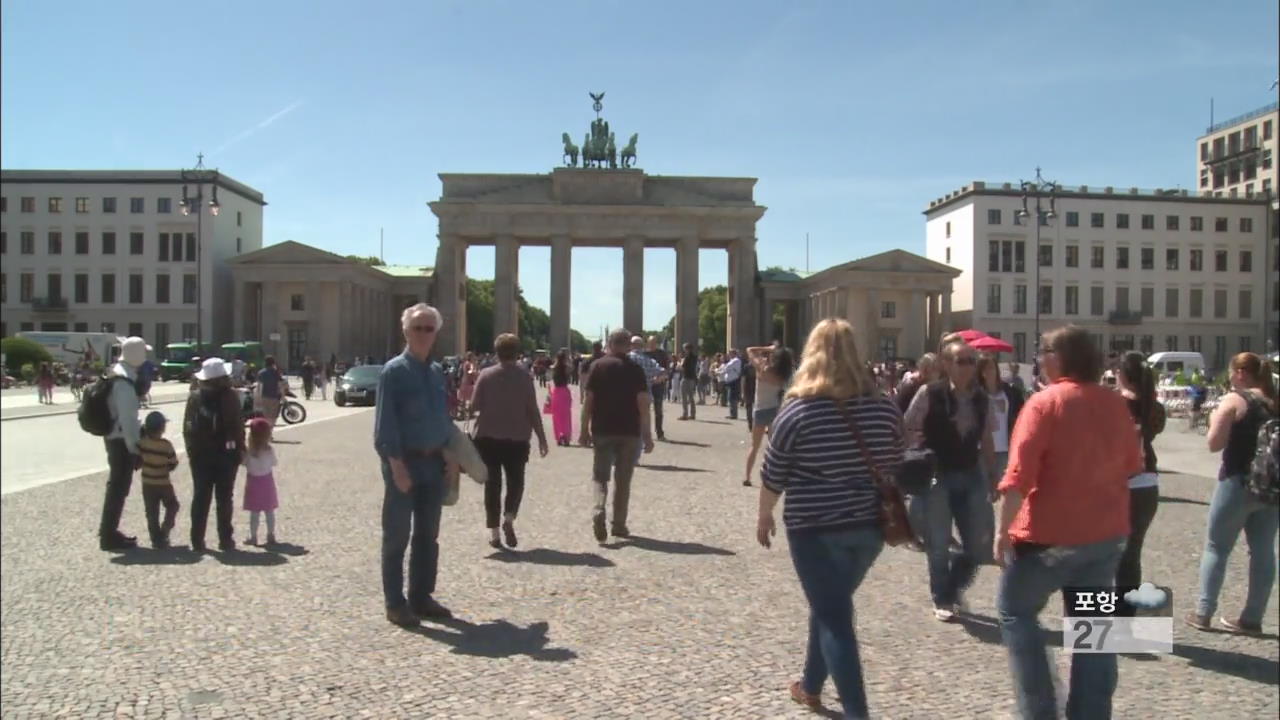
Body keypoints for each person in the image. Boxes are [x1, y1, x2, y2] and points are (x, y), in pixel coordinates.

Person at [757, 319, 902, 719]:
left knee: (834, 615)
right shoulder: (884, 407)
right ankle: (810, 685)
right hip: (1090, 550)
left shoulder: (800, 409)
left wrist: (764, 514)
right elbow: (895, 462)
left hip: (816, 527)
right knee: (830, 606)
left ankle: (857, 712)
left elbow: (774, 472)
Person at [994, 326, 1141, 720]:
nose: (1039, 358)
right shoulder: (1113, 403)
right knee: (1092, 626)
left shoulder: (1044, 403)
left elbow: (1018, 477)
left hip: (1050, 537)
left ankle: (1040, 708)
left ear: (1060, 357)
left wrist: (1002, 532)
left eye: (1043, 351)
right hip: (1104, 536)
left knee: (1014, 610)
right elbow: (1131, 465)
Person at [374, 303, 460, 628]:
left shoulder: (437, 372)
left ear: (436, 333)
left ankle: (421, 596)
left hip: (433, 463)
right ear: (405, 331)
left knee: (428, 536)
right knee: (396, 535)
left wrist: (451, 455)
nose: (423, 334)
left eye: (429, 328)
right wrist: (396, 466)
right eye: (417, 328)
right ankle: (395, 603)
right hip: (404, 462)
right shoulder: (393, 371)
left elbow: (442, 418)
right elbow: (385, 424)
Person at [904, 339, 997, 621]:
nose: (968, 367)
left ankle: (954, 585)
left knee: (979, 544)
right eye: (962, 361)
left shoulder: (982, 398)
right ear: (946, 364)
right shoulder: (930, 393)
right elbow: (908, 426)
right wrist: (914, 457)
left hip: (971, 473)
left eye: (972, 361)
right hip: (937, 475)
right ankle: (942, 598)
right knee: (938, 541)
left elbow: (986, 438)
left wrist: (993, 475)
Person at [1186, 352, 1278, 634]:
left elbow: (1214, 443)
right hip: (1271, 487)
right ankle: (1252, 618)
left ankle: (1203, 612)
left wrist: (1215, 417)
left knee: (1217, 546)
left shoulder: (1235, 400)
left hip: (1236, 482)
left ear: (1240, 373)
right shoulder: (1275, 402)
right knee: (1263, 551)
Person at [471, 333, 550, 550]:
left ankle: (495, 533)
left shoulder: (486, 375)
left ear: (496, 352)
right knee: (516, 482)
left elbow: (474, 406)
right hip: (517, 438)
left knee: (492, 486)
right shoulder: (525, 377)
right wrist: (542, 438)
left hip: (488, 438)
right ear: (517, 353)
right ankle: (508, 518)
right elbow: (532, 410)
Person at [580, 328, 653, 543]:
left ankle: (598, 508)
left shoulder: (597, 366)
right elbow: (643, 405)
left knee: (600, 476)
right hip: (629, 431)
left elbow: (588, 401)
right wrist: (647, 435)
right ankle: (619, 525)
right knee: (623, 479)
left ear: (610, 344)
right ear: (628, 345)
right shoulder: (635, 369)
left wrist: (584, 430)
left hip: (603, 429)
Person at [183, 357, 246, 553]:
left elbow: (186, 427)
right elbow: (237, 427)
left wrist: (191, 451)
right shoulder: (230, 397)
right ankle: (225, 539)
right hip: (225, 454)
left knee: (201, 497)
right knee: (224, 498)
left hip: (200, 454)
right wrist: (240, 450)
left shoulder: (194, 397)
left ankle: (197, 540)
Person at [1114, 351, 1160, 613]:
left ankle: (1114, 616)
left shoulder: (1117, 403)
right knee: (1132, 555)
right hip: (1148, 484)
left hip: (1121, 484)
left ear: (1122, 374)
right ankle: (1126, 614)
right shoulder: (1153, 405)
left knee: (1107, 555)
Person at [98, 336, 148, 551]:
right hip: (120, 441)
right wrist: (136, 449)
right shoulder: (125, 382)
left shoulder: (115, 373)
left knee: (115, 487)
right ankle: (109, 534)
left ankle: (108, 529)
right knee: (118, 488)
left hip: (112, 437)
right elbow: (128, 421)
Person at [978, 353, 1024, 536]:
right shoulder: (977, 393)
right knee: (984, 496)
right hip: (983, 449)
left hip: (1005, 448)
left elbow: (1019, 415)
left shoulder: (1009, 391)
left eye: (991, 367)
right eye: (985, 368)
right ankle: (987, 536)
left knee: (1007, 493)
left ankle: (1007, 533)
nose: (988, 372)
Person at [743, 343, 795, 487]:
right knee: (774, 447)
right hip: (775, 410)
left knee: (754, 446)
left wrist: (768, 348)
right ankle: (773, 476)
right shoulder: (781, 374)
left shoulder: (762, 369)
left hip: (760, 410)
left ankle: (747, 476)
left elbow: (749, 350)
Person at [137, 411, 180, 549]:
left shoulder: (142, 443)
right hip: (163, 483)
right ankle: (165, 529)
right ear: (162, 428)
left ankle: (156, 539)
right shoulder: (166, 445)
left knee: (151, 512)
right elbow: (173, 463)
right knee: (173, 505)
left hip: (147, 483)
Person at [242, 418, 281, 546]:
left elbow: (244, 463)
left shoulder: (249, 452)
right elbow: (274, 463)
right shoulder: (269, 450)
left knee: (255, 513)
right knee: (269, 511)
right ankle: (271, 535)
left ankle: (253, 536)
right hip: (267, 482)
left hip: (253, 483)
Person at [548, 349, 574, 446]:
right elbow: (571, 369)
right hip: (565, 391)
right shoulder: (567, 367)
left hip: (556, 392)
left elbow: (548, 379)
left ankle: (559, 436)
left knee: (556, 416)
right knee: (566, 416)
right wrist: (569, 359)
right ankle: (566, 437)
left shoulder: (553, 368)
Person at [255, 356, 285, 426]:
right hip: (274, 397)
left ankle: (268, 431)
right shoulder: (276, 372)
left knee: (266, 415)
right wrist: (283, 396)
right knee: (273, 416)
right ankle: (270, 430)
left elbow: (260, 386)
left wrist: (258, 397)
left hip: (264, 396)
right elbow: (280, 385)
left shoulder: (261, 373)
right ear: (273, 363)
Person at [719, 349, 743, 419]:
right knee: (730, 398)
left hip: (734, 381)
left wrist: (720, 371)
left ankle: (734, 414)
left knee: (732, 398)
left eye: (730, 353)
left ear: (733, 354)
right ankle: (732, 413)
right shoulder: (732, 361)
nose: (728, 355)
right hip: (730, 382)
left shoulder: (736, 360)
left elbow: (727, 368)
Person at [678, 343, 699, 420]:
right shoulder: (695, 357)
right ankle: (693, 414)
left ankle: (685, 414)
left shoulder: (686, 358)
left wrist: (680, 363)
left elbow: (682, 368)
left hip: (686, 377)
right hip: (692, 377)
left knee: (684, 397)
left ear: (687, 349)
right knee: (691, 397)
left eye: (684, 348)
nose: (684, 350)